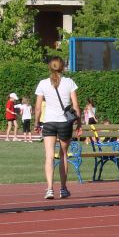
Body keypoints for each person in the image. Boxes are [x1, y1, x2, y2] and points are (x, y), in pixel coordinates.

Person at [33, 57, 81, 200]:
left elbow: (37, 108)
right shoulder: (69, 82)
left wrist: (36, 123)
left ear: (49, 67)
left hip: (49, 122)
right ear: (63, 67)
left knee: (49, 156)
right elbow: (76, 106)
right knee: (63, 156)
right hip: (64, 123)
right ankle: (63, 188)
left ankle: (49, 189)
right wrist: (79, 123)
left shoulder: (43, 83)